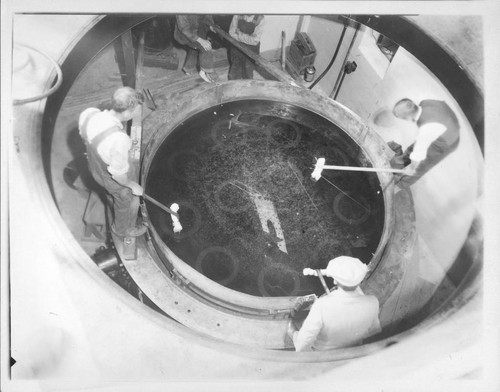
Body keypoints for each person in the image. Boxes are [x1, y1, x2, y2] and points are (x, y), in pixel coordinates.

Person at [78, 87, 147, 238]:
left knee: (113, 194)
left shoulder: (89, 114)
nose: (136, 113)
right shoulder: (119, 140)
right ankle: (122, 231)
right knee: (126, 202)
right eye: (136, 110)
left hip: (95, 169)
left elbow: (85, 137)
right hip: (113, 179)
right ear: (128, 113)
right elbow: (118, 176)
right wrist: (132, 185)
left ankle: (111, 197)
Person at [288, 256, 381, 352]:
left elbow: (301, 345)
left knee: (293, 327)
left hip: (326, 355)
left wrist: (293, 333)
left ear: (334, 281)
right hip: (354, 351)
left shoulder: (321, 306)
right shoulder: (372, 303)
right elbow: (374, 333)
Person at [390, 98, 460, 188]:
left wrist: (410, 169)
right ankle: (397, 165)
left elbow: (418, 156)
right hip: (440, 129)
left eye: (403, 118)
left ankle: (398, 185)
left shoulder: (426, 129)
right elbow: (421, 142)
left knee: (419, 168)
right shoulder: (424, 103)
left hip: (446, 143)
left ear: (408, 118)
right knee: (412, 149)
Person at [174, 15, 218, 83]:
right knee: (206, 46)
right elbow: (185, 30)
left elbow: (207, 15)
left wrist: (211, 25)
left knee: (196, 47)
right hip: (185, 35)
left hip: (198, 29)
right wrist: (200, 40)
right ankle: (206, 71)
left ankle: (188, 68)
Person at [228, 15, 265, 80]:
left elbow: (255, 41)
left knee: (248, 74)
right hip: (237, 47)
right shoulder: (237, 15)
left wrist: (239, 34)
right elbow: (231, 33)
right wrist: (248, 37)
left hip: (251, 50)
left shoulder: (260, 18)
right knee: (234, 74)